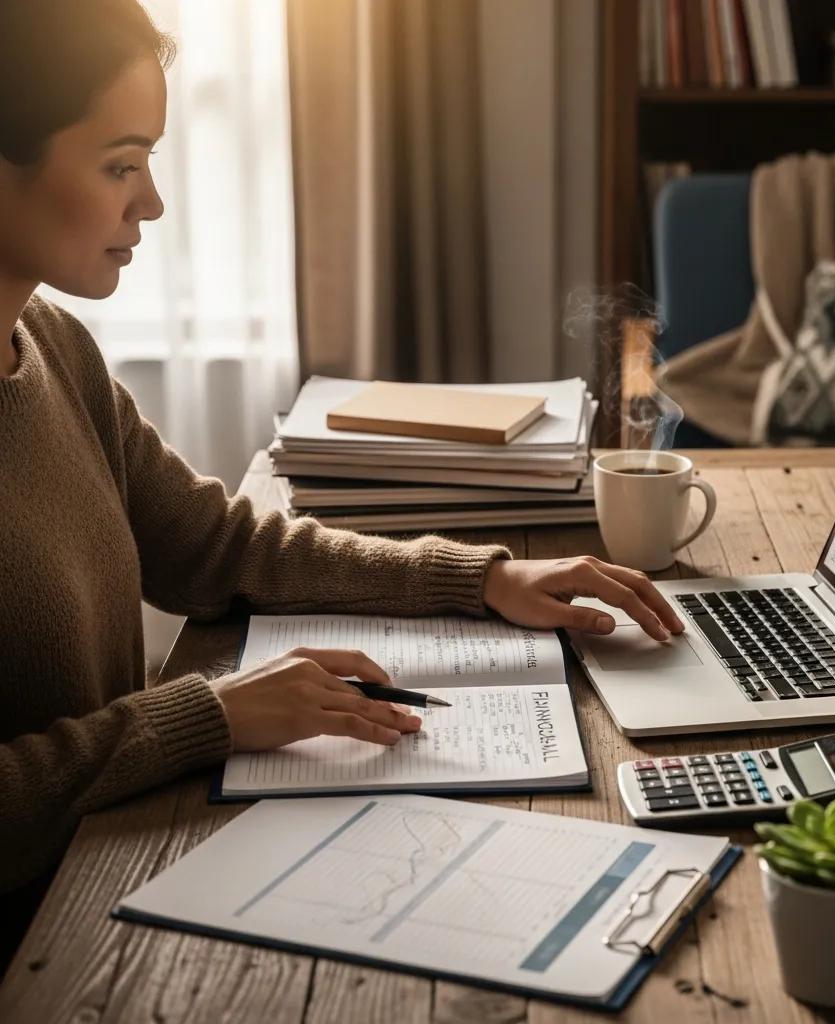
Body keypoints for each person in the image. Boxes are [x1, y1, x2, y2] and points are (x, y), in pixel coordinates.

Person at [0, 0, 684, 962]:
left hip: (108, 874)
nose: (151, 203)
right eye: (120, 164)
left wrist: (482, 580)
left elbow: (222, 550)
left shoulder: (55, 350)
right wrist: (206, 714)